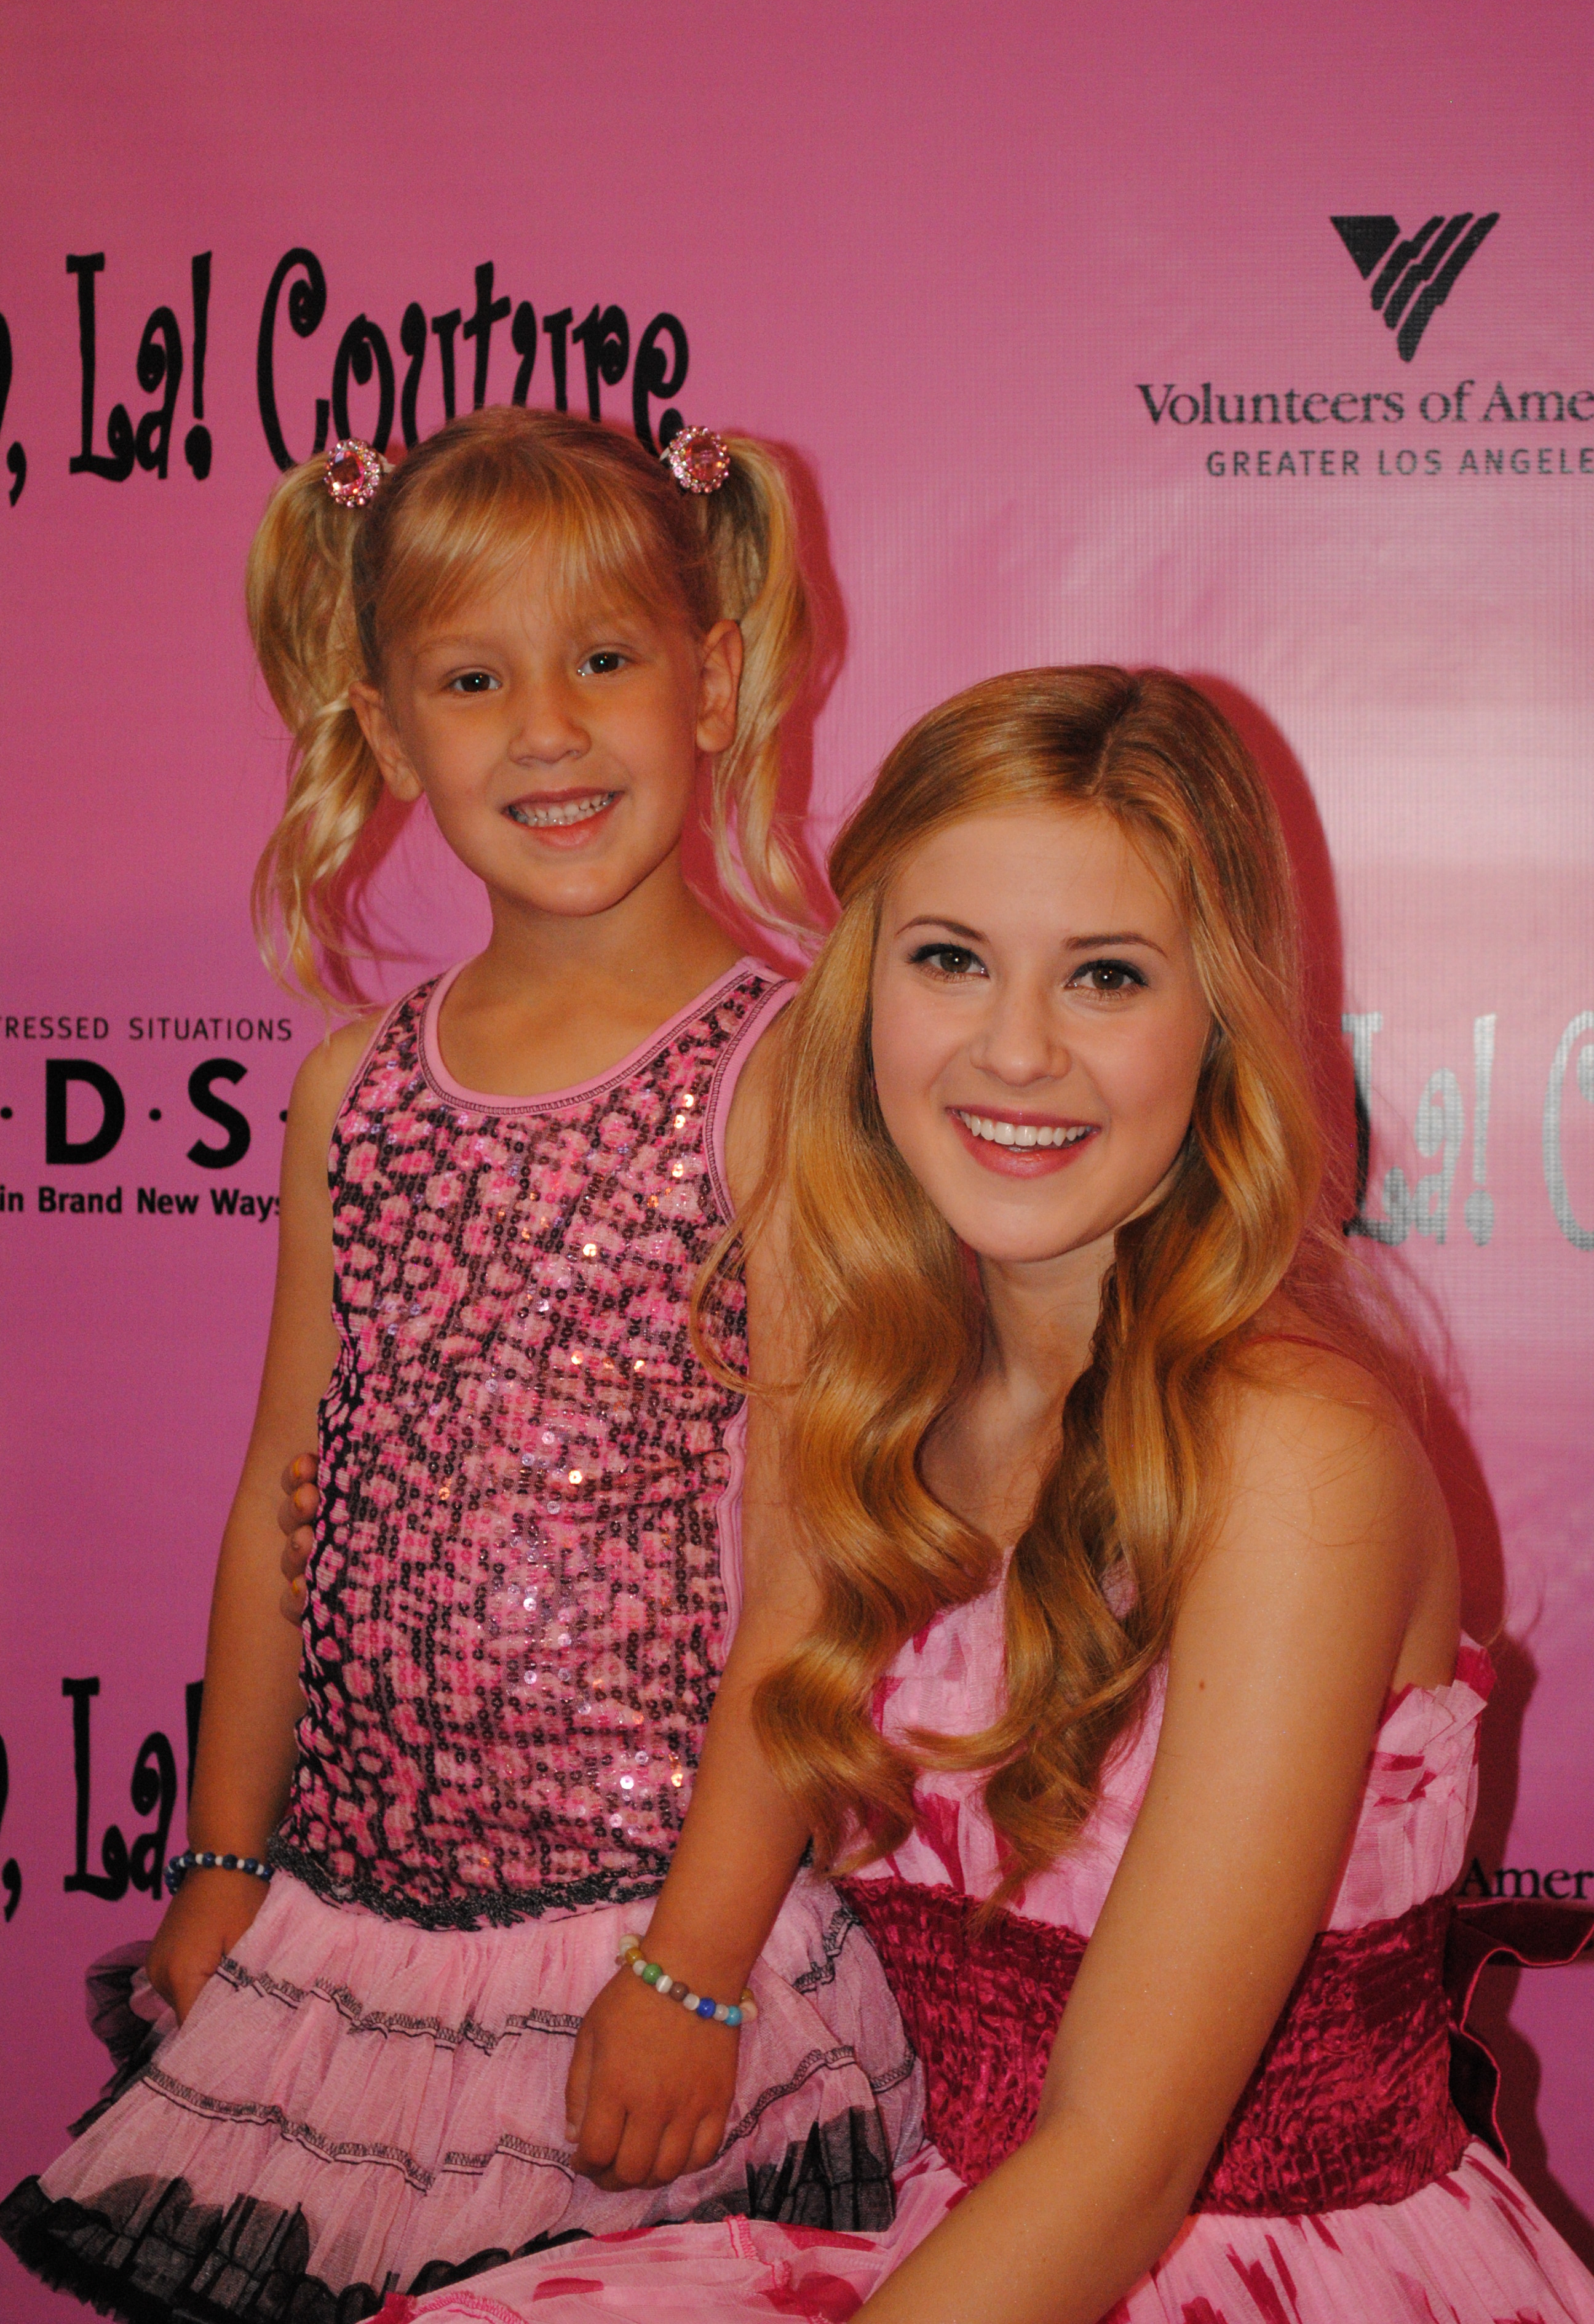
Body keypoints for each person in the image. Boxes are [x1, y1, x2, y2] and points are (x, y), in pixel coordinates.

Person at [387, 667, 1594, 2323]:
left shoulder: (1299, 1451)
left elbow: (1119, 2155)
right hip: (961, 2237)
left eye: (1106, 977)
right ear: (865, 990)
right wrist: (684, 1979)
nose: (1016, 1052)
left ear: (1222, 1023)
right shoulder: (869, 1379)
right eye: (950, 959)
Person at [0, 409, 916, 2322]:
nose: (549, 731)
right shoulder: (353, 1093)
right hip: (353, 1948)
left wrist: (693, 1965)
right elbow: (283, 1507)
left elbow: (814, 1568)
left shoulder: (780, 1080)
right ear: (386, 726)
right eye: (474, 680)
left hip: (654, 1943)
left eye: (604, 661)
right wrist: (231, 1859)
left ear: (717, 675)